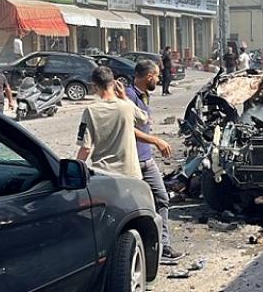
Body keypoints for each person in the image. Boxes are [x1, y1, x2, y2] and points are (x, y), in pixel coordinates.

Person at [126, 60, 185, 263]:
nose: (159, 79)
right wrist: (156, 140)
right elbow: (127, 128)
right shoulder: (129, 96)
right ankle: (137, 251)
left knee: (162, 198)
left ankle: (163, 246)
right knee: (134, 208)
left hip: (147, 160)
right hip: (132, 162)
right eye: (157, 76)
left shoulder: (143, 94)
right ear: (149, 76)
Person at [75, 66, 149, 180]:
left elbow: (86, 148)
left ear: (94, 86)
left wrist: (74, 171)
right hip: (130, 174)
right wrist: (124, 97)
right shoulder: (126, 107)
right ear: (114, 83)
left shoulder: (90, 111)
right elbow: (144, 119)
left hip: (104, 174)